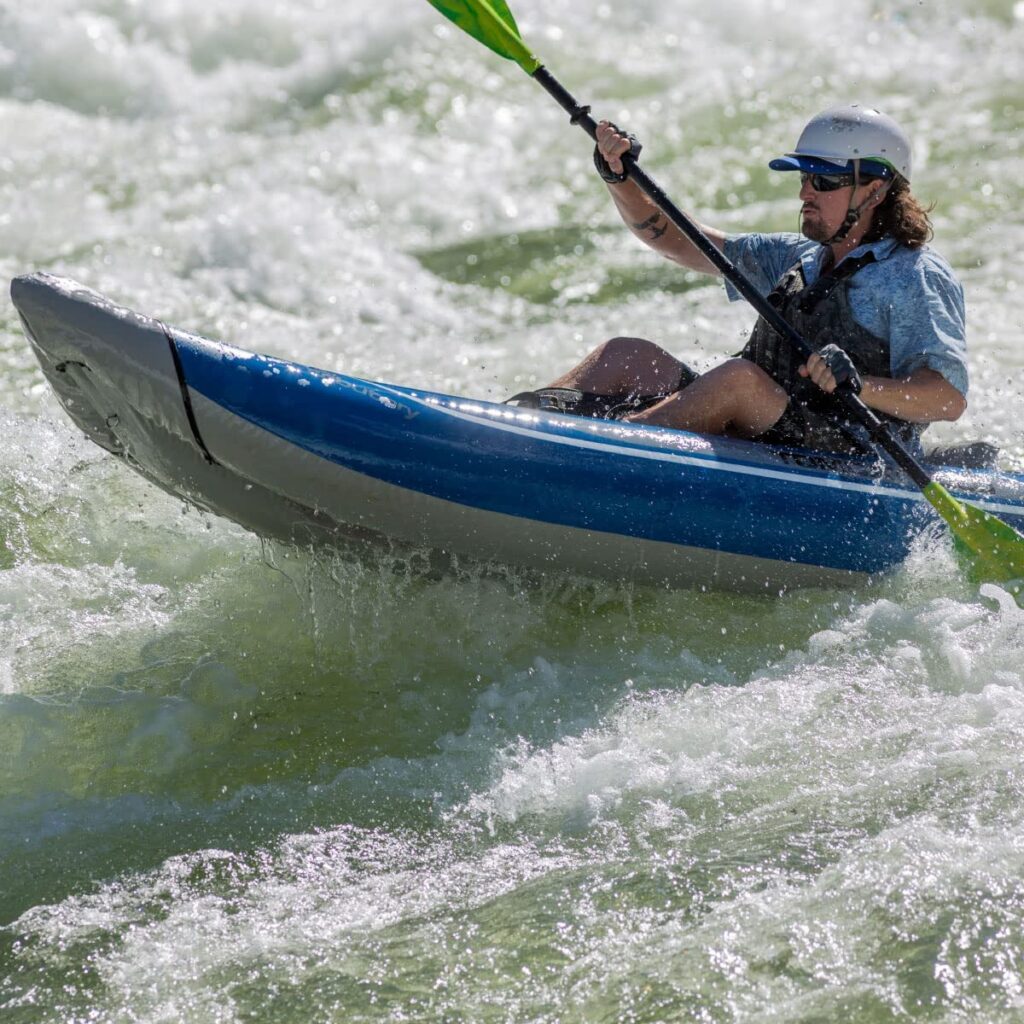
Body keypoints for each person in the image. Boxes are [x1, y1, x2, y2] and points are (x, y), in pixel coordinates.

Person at [522, 104, 968, 455]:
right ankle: (522, 426)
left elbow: (946, 398)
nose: (804, 192)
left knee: (738, 379)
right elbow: (676, 240)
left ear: (876, 188)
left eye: (824, 180)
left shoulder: (915, 276)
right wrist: (619, 178)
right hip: (771, 423)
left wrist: (860, 384)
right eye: (805, 177)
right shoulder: (797, 258)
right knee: (627, 355)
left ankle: (593, 452)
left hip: (848, 453)